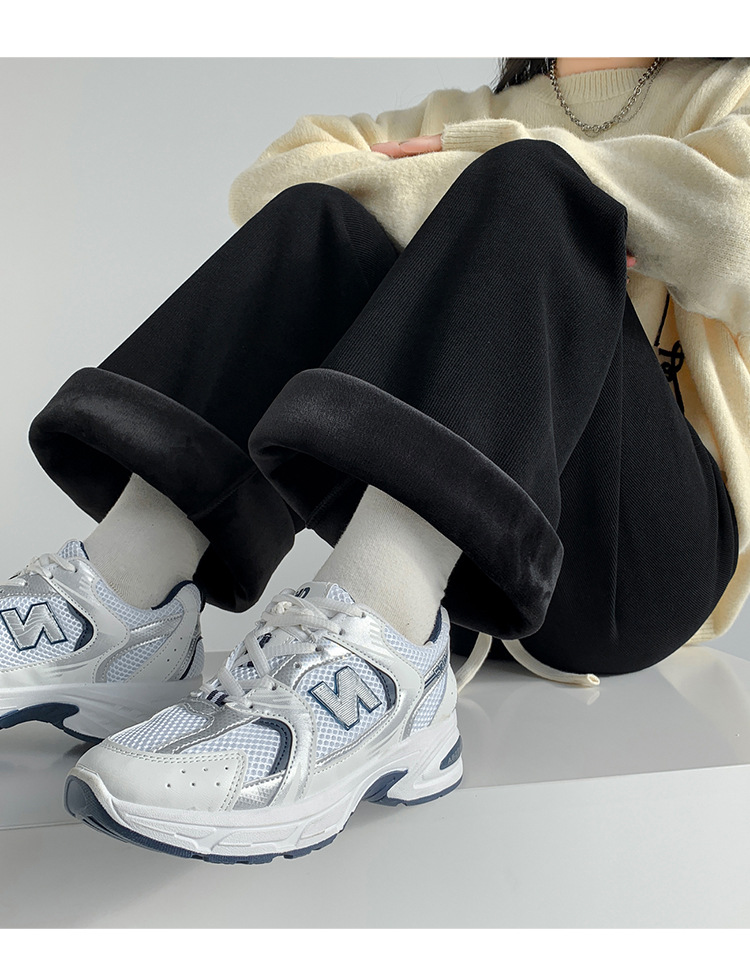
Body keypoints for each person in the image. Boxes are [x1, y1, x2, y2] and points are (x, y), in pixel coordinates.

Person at [1, 57, 746, 864]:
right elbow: (277, 179)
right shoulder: (468, 105)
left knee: (534, 183)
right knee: (320, 222)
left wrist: (488, 171)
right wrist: (523, 185)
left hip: (633, 568)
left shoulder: (727, 94)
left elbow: (731, 222)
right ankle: (120, 602)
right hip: (466, 581)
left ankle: (378, 654)